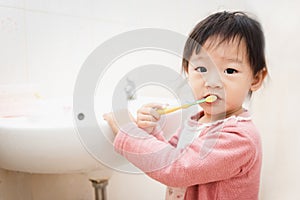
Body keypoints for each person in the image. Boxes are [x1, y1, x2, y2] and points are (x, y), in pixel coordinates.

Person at [104, 11, 268, 200]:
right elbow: (171, 157)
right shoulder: (196, 122)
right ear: (187, 70)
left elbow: (176, 169)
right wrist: (151, 130)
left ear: (255, 79)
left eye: (229, 70)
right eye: (202, 69)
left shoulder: (239, 138)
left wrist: (129, 134)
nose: (212, 81)